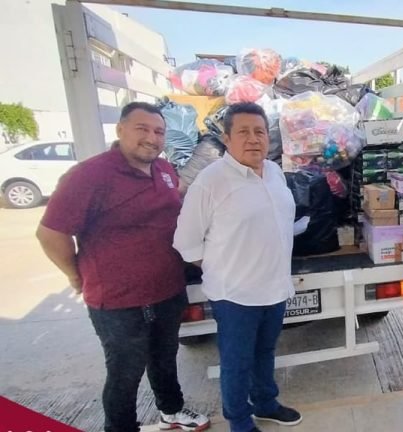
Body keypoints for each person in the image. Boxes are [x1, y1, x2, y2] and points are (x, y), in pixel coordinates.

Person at [36, 102, 209, 432]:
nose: (152, 138)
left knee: (165, 359)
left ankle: (171, 412)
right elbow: (50, 233)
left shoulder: (164, 170)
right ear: (120, 130)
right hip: (118, 301)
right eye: (142, 129)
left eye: (158, 131)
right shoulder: (90, 175)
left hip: (167, 290)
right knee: (125, 372)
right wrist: (75, 274)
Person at [173, 103, 301, 432]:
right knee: (236, 362)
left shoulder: (273, 172)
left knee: (265, 352)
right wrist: (221, 266)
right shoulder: (210, 181)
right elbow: (186, 242)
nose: (253, 139)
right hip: (235, 296)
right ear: (227, 139)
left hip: (274, 288)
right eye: (243, 132)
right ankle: (239, 421)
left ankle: (265, 403)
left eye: (259, 131)